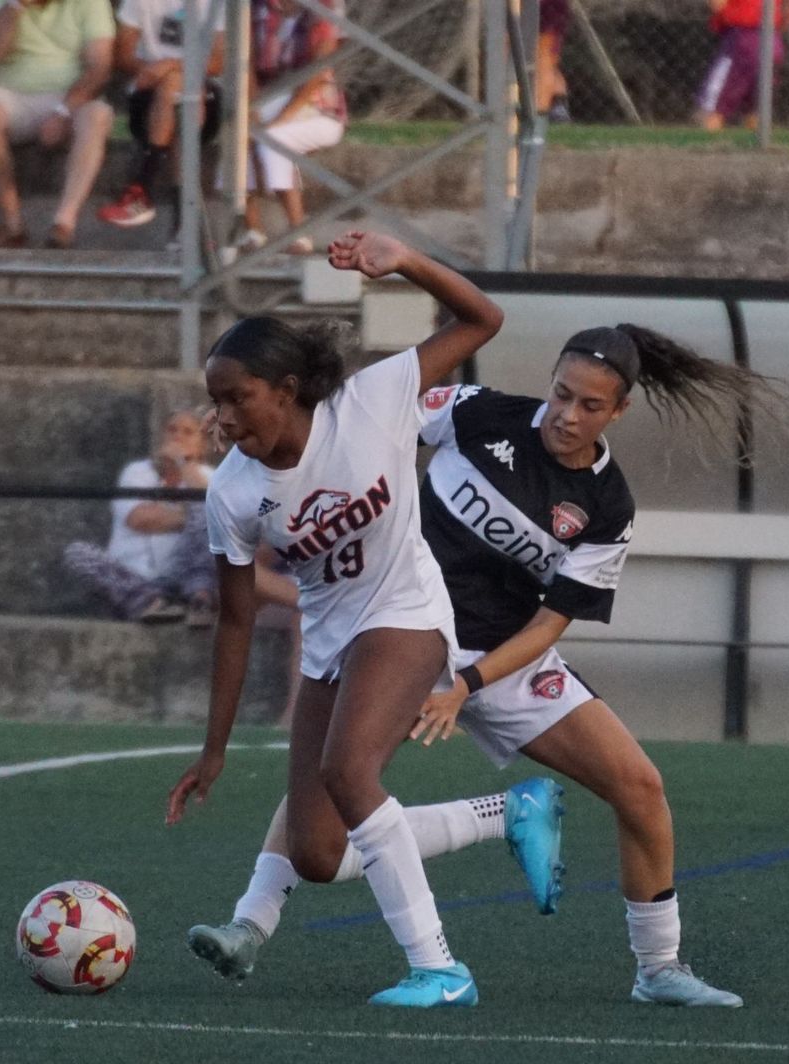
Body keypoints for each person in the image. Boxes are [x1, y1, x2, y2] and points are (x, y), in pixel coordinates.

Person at [186, 324, 765, 1008]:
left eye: (589, 406)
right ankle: (256, 919)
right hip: (397, 628)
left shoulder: (608, 507)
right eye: (561, 394)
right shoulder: (477, 413)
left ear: (618, 412)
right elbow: (361, 425)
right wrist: (259, 430)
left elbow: (549, 624)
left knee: (639, 785)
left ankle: (659, 968)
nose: (567, 415)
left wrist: (466, 685)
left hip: (501, 657)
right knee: (335, 788)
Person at [165, 229, 505, 1007]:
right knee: (317, 852)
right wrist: (213, 750)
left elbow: (484, 320)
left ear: (286, 388)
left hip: (408, 613)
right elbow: (236, 622)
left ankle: (440, 969)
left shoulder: (373, 400)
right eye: (216, 400)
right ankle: (501, 815)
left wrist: (407, 262)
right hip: (331, 643)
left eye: (237, 397)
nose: (223, 417)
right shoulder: (233, 493)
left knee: (349, 772)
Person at [0, 0, 115, 248]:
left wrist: (63, 111)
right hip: (12, 93)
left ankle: (64, 222)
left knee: (97, 115)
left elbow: (99, 68)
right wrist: (14, 7)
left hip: (71, 97)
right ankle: (12, 223)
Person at [62, 409, 225, 624]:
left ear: (201, 445)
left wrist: (183, 464)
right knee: (76, 553)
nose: (178, 436)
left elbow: (218, 515)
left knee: (209, 512)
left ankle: (197, 600)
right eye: (172, 430)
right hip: (132, 579)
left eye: (188, 432)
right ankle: (152, 603)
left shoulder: (210, 477)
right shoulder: (137, 471)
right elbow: (139, 519)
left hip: (181, 577)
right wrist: (190, 514)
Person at [231, 0, 346, 256]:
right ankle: (252, 230)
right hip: (269, 97)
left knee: (274, 139)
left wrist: (284, 117)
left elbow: (319, 72)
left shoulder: (323, 10)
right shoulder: (258, 9)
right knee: (239, 133)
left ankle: (298, 230)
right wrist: (252, 107)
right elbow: (244, 62)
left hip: (315, 104)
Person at [97, 0, 223, 229]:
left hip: (204, 94)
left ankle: (142, 188)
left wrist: (170, 65)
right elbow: (123, 55)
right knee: (177, 100)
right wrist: (155, 72)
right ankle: (186, 228)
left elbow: (219, 61)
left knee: (176, 91)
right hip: (150, 90)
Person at [695, 0, 789, 132]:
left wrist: (727, 16)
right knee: (757, 108)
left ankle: (709, 136)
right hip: (772, 39)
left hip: (741, 36)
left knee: (714, 109)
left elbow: (717, 3)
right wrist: (781, 22)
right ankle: (758, 139)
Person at [535, 0, 570, 123]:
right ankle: (555, 104)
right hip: (543, 15)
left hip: (545, 17)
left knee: (544, 61)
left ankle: (543, 108)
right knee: (545, 61)